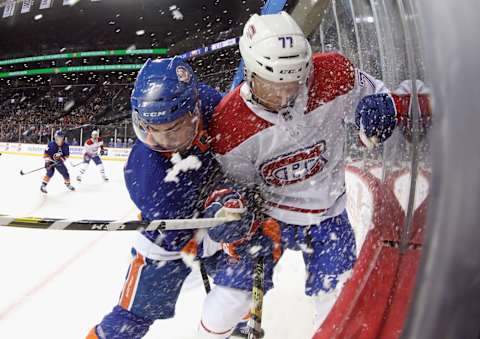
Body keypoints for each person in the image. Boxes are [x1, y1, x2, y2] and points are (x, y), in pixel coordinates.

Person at [197, 12, 397, 338]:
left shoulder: (333, 73)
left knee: (338, 306)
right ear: (250, 71)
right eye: (274, 86)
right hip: (270, 219)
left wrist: (379, 107)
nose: (286, 96)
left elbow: (376, 92)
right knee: (227, 304)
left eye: (295, 82)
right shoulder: (229, 123)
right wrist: (233, 209)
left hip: (328, 215)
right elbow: (234, 187)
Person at [86, 57, 230, 339]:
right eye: (154, 129)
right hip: (166, 242)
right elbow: (182, 238)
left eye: (174, 128)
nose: (164, 140)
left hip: (213, 220)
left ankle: (233, 321)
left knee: (238, 282)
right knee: (132, 319)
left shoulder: (213, 103)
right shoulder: (146, 176)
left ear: (194, 110)